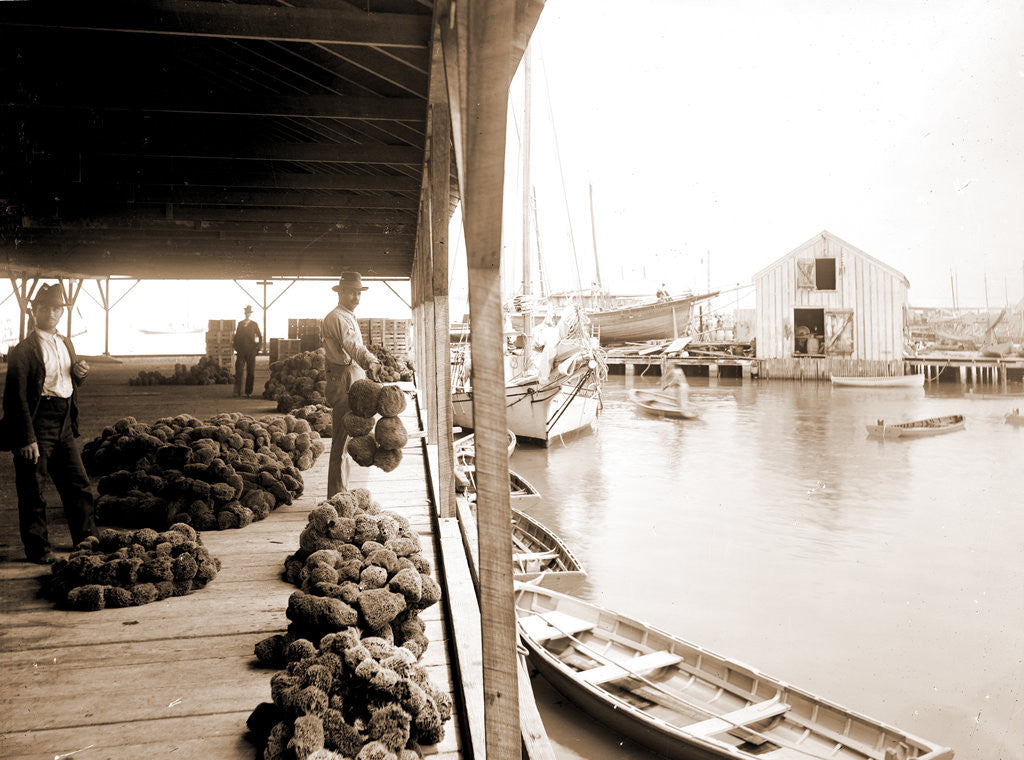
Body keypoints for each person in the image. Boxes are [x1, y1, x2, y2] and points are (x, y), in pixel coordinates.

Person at [0, 284, 96, 563]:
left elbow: (65, 380)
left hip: (64, 421)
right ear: (33, 311)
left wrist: (81, 373)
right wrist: (26, 438)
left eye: (57, 308)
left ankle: (86, 537)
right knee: (33, 488)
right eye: (45, 308)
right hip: (37, 423)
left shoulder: (66, 342)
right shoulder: (23, 350)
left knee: (77, 482)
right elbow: (15, 399)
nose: (52, 313)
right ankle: (38, 548)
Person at [321, 272, 381, 497]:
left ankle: (341, 490)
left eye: (359, 293)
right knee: (342, 439)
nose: (356, 297)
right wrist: (371, 361)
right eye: (352, 293)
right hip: (344, 381)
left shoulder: (348, 315)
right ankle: (337, 495)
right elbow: (353, 347)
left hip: (353, 377)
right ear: (341, 292)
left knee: (346, 439)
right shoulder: (336, 318)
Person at [233, 305, 262, 397]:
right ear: (244, 313)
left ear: (250, 314)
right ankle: (238, 391)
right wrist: (236, 347)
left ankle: (248, 392)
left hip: (251, 351)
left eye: (249, 313)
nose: (247, 314)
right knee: (239, 370)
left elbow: (259, 336)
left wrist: (258, 347)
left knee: (251, 371)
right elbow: (236, 336)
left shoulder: (254, 324)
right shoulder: (240, 324)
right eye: (246, 313)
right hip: (241, 351)